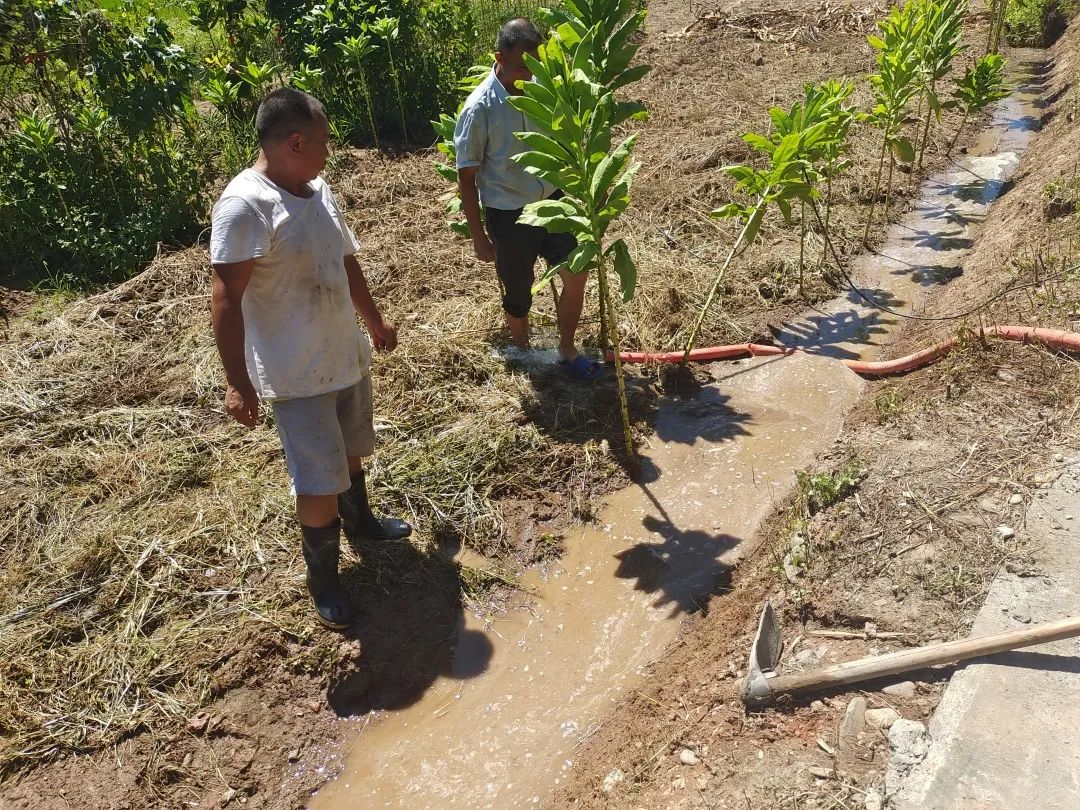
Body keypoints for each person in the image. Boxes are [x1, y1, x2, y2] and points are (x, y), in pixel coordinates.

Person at [209, 87, 411, 630]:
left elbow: (345, 262)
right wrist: (238, 382)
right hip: (297, 373)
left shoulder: (318, 190)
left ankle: (362, 522)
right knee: (318, 481)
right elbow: (226, 298)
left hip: (343, 353)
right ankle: (324, 579)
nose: (329, 151)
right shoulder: (245, 205)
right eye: (323, 141)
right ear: (295, 142)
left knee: (351, 453)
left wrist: (374, 322)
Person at [454, 17, 602, 382]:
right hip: (509, 213)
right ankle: (523, 353)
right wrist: (478, 236)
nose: (530, 75)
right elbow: (466, 177)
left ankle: (567, 350)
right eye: (522, 67)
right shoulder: (479, 109)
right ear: (499, 58)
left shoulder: (544, 87)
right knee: (518, 292)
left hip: (552, 200)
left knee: (577, 272)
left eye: (535, 66)